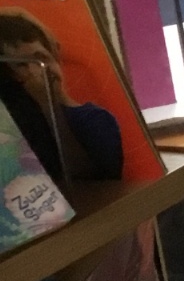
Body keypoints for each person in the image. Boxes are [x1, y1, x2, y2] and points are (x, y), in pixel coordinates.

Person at [0, 10, 121, 182]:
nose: (35, 71)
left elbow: (90, 179)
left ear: (55, 58)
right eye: (21, 65)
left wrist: (47, 104)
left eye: (40, 59)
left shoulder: (94, 119)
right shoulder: (15, 126)